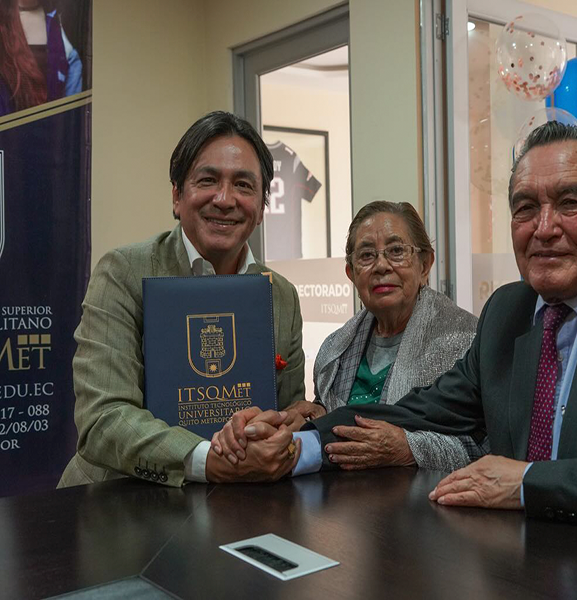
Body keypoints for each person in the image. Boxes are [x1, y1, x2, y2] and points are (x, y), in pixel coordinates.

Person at [222, 122, 577, 545]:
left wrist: (530, 482)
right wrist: (297, 444)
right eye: (524, 209)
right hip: (517, 561)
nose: (544, 228)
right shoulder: (508, 312)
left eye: (569, 203)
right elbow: (416, 410)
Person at [58, 111, 304, 488]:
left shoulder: (281, 295)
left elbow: (288, 412)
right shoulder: (122, 272)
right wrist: (210, 462)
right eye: (208, 180)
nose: (225, 200)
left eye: (243, 185)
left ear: (261, 207)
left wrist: (280, 433)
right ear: (177, 196)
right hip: (118, 504)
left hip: (241, 506)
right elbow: (103, 420)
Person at [214, 201, 481, 471]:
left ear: (425, 264)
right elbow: (338, 425)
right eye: (366, 256)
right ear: (351, 274)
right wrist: (318, 415)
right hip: (337, 503)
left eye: (397, 251)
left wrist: (407, 448)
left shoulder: (466, 341)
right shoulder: (334, 350)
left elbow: (485, 447)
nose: (381, 266)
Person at [0, 0, 83, 116]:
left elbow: (72, 107)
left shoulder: (55, 24)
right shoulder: (4, 21)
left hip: (49, 124)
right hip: (8, 126)